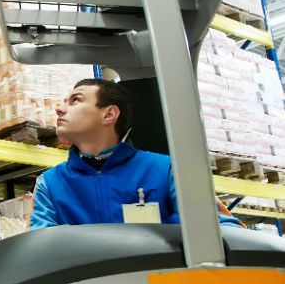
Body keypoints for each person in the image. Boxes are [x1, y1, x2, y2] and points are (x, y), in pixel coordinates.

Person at [29, 78, 241, 229]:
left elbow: (220, 227)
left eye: (75, 100)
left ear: (109, 114)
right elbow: (39, 250)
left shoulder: (167, 170)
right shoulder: (50, 183)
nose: (60, 109)